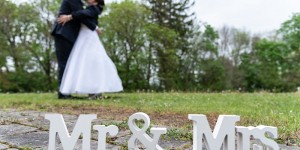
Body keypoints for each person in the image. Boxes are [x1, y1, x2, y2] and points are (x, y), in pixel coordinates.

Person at [57, 0, 123, 99]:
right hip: (82, 36)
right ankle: (83, 90)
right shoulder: (86, 6)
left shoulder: (95, 8)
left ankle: (94, 90)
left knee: (90, 62)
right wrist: (95, 27)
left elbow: (84, 15)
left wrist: (70, 16)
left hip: (87, 36)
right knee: (80, 63)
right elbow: (83, 18)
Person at [52, 0, 102, 99]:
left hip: (69, 35)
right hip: (64, 33)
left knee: (68, 64)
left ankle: (65, 91)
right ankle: (63, 93)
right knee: (64, 64)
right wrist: (95, 27)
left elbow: (81, 16)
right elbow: (81, 17)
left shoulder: (81, 3)